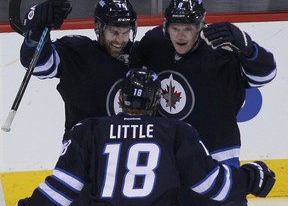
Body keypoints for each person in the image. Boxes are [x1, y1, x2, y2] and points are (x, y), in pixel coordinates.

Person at [17, 68, 275, 206]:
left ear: (120, 98)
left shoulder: (88, 130)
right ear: (155, 100)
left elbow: (62, 189)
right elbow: (210, 185)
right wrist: (251, 178)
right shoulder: (176, 131)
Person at [129, 0, 277, 206]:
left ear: (200, 26)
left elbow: (265, 75)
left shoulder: (221, 49)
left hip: (218, 156)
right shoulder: (154, 44)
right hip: (168, 160)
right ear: (166, 26)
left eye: (188, 29)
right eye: (175, 29)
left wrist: (249, 49)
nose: (181, 36)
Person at [20, 0, 138, 133]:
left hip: (125, 151)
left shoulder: (140, 56)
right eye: (114, 32)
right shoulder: (78, 54)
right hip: (83, 151)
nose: (120, 40)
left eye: (125, 32)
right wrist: (37, 31)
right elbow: (37, 64)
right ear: (99, 27)